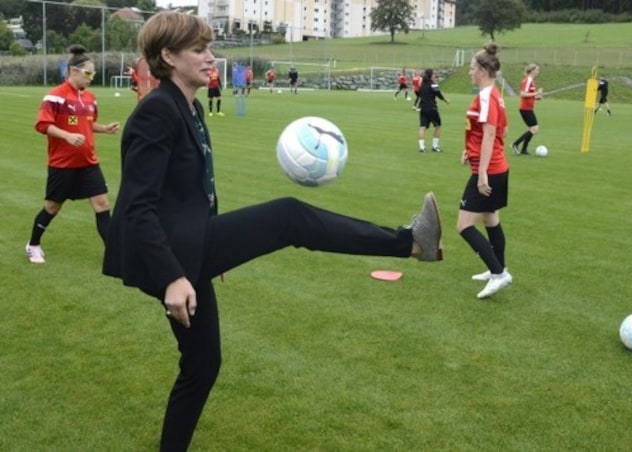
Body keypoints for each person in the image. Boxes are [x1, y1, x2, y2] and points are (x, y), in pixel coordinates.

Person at [101, 11, 443, 451]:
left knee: (203, 364)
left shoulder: (189, 106)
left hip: (189, 244)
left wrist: (213, 247)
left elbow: (192, 188)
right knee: (289, 217)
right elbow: (137, 207)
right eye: (199, 50)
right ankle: (412, 242)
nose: (211, 58)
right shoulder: (156, 112)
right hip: (165, 254)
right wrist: (173, 275)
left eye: (210, 48)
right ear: (167, 56)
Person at [26, 44, 120, 264]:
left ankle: (115, 254)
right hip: (63, 164)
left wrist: (104, 128)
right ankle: (33, 245)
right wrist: (67, 136)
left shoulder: (90, 98)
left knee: (102, 204)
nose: (92, 77)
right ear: (73, 71)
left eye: (93, 72)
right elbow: (42, 125)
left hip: (88, 163)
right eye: (88, 72)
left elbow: (87, 124)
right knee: (52, 207)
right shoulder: (55, 97)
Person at [460, 43, 512, 299]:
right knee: (491, 219)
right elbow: (500, 130)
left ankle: (498, 273)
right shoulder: (495, 95)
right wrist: (468, 150)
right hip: (496, 166)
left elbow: (491, 134)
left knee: (464, 225)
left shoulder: (487, 95)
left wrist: (481, 173)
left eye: (471, 68)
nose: (469, 73)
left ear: (482, 70)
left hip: (489, 170)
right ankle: (497, 270)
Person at [510, 63, 542, 155]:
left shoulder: (531, 80)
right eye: (537, 70)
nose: (538, 71)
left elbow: (529, 95)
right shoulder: (528, 80)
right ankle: (515, 144)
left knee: (531, 129)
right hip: (525, 109)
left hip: (528, 108)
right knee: (534, 129)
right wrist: (536, 93)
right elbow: (523, 94)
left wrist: (536, 97)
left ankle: (524, 150)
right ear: (532, 71)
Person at [417, 68, 449, 153]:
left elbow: (419, 94)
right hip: (432, 108)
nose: (435, 75)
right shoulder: (433, 84)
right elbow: (439, 94)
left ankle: (422, 147)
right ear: (430, 75)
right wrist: (446, 100)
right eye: (434, 74)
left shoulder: (422, 84)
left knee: (422, 127)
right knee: (438, 126)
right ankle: (435, 146)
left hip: (423, 108)